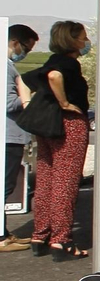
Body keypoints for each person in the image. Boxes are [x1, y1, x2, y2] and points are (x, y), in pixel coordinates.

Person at [30, 20, 93, 259]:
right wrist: (65, 103)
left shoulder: (50, 60)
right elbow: (56, 77)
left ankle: (41, 233)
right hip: (69, 124)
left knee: (46, 179)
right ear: (72, 39)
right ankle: (61, 239)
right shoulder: (67, 64)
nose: (86, 41)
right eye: (83, 37)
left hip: (46, 124)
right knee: (65, 182)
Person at [3, 23, 39, 251]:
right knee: (4, 188)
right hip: (8, 137)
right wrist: (28, 97)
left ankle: (4, 232)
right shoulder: (5, 68)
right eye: (26, 47)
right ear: (15, 42)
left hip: (10, 136)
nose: (25, 53)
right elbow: (7, 103)